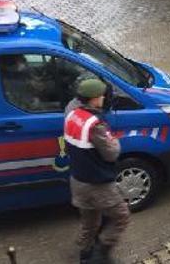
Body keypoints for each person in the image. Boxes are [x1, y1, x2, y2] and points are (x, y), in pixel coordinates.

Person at [64, 78, 129, 264]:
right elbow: (111, 153)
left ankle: (84, 256)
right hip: (97, 184)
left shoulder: (72, 115)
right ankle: (101, 256)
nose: (103, 99)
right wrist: (115, 140)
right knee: (121, 217)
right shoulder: (94, 125)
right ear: (93, 99)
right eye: (101, 96)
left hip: (77, 180)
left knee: (90, 223)